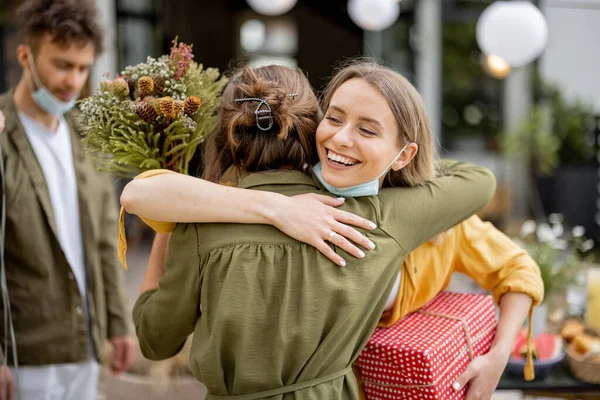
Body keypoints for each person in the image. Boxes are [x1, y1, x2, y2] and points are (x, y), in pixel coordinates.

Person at [124, 61, 543, 400]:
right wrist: (277, 208)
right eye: (335, 118)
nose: (342, 139)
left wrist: (172, 228)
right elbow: (478, 179)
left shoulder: (198, 222)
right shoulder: (388, 217)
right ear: (311, 126)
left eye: (367, 129)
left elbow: (155, 340)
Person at [0, 1, 134, 399]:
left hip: (86, 343)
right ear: (25, 56)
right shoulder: (3, 135)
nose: (73, 80)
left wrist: (116, 321)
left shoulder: (84, 137)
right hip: (26, 350)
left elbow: (106, 238)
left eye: (81, 67)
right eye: (61, 64)